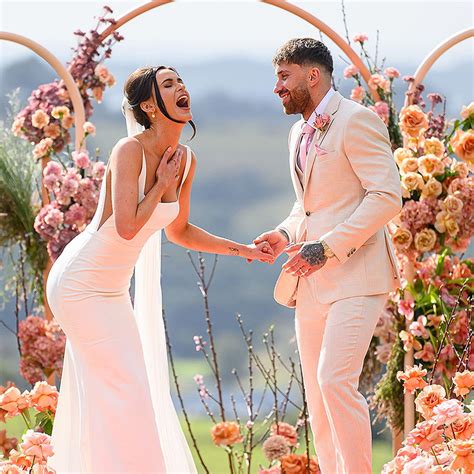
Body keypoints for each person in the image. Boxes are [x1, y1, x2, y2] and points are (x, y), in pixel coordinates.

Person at [46, 65, 273, 473]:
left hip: (113, 290)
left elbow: (179, 231)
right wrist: (159, 184)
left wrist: (244, 251)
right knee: (127, 389)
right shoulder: (128, 150)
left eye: (181, 81)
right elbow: (127, 226)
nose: (181, 87)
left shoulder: (186, 161)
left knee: (126, 391)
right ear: (149, 106)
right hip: (80, 284)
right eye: (169, 84)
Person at [252, 38, 403, 473]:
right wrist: (284, 233)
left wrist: (328, 247)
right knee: (318, 400)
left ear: (313, 75)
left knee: (334, 381)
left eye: (284, 77)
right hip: (311, 281)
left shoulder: (357, 120)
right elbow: (310, 206)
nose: (277, 87)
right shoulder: (296, 132)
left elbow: (386, 196)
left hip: (358, 274)